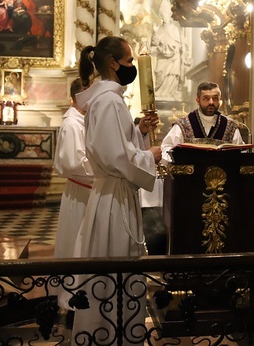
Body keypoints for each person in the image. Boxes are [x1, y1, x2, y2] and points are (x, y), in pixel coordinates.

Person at [71, 36, 161, 344]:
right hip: (113, 199)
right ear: (114, 63)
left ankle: (113, 333)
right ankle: (109, 334)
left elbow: (116, 145)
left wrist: (140, 132)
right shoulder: (109, 101)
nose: (132, 66)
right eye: (130, 60)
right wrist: (151, 155)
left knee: (113, 269)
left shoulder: (109, 100)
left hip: (114, 194)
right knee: (114, 271)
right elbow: (114, 156)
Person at [52, 78, 93, 313]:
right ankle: (72, 297)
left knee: (85, 243)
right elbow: (72, 163)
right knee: (76, 242)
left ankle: (84, 293)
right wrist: (104, 170)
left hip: (87, 189)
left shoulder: (84, 120)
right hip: (81, 191)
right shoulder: (72, 124)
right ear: (77, 98)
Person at [161, 81, 244, 161]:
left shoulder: (230, 126)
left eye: (215, 98)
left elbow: (242, 152)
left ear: (219, 100)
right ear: (198, 101)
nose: (211, 102)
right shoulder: (183, 125)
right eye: (206, 98)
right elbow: (167, 149)